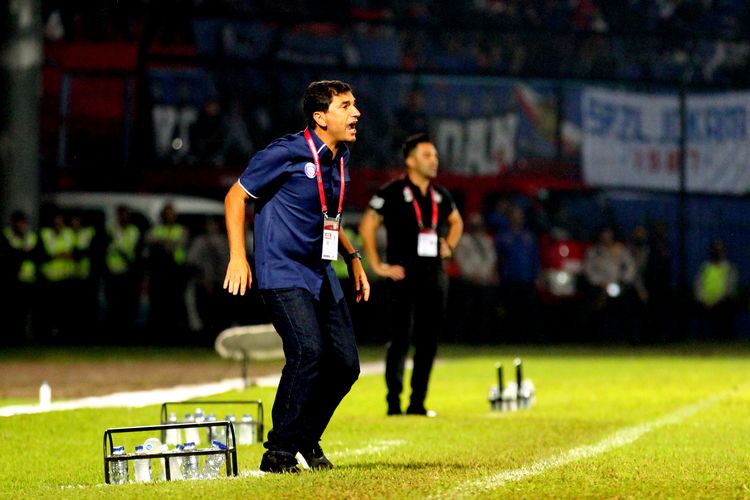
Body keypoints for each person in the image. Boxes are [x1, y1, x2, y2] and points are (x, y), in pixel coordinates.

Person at [223, 80, 369, 474]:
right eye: (346, 106)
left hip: (321, 271)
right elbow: (235, 197)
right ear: (321, 117)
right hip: (282, 271)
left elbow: (327, 217)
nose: (356, 113)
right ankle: (279, 451)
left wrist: (352, 256)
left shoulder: (340, 157)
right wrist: (238, 256)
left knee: (346, 365)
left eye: (354, 105)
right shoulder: (285, 152)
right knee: (308, 352)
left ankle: (305, 435)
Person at [359, 132, 463, 417]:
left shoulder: (440, 194)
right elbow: (367, 225)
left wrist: (449, 245)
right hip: (401, 277)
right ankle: (394, 402)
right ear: (410, 160)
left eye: (435, 156)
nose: (434, 161)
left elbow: (457, 222)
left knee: (428, 341)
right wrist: (378, 265)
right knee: (399, 340)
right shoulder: (392, 192)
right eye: (427, 156)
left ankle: (418, 403)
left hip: (433, 276)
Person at [693, 239, 738, 340]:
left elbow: (729, 288)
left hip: (722, 302)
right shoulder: (705, 267)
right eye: (715, 250)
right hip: (705, 302)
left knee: (728, 305)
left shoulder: (729, 267)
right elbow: (698, 285)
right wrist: (704, 300)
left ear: (724, 252)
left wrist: (716, 301)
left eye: (720, 250)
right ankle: (701, 339)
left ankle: (725, 338)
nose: (717, 252)